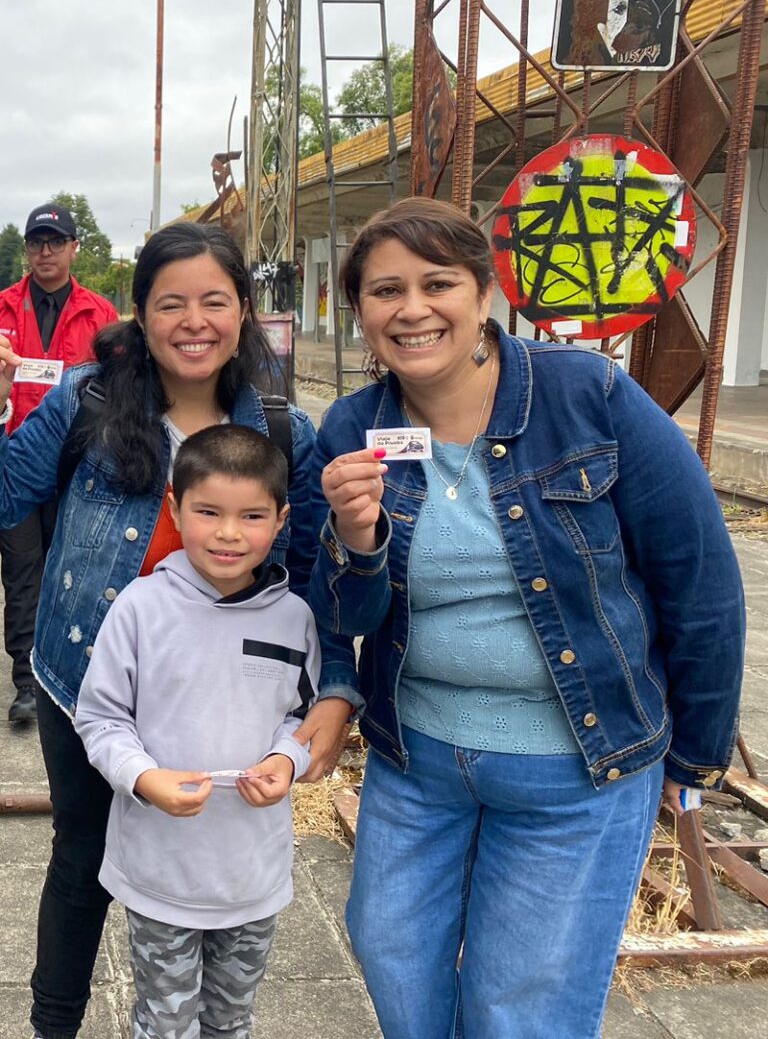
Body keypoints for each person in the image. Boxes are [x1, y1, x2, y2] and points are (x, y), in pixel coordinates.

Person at [310, 197, 745, 1039]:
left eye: (437, 283)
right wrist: (355, 543)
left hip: (575, 767)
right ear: (360, 308)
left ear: (483, 293)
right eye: (384, 290)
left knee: (522, 1006)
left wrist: (696, 755)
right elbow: (347, 615)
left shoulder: (588, 395)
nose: (411, 309)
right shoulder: (354, 427)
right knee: (389, 950)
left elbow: (700, 576)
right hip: (419, 758)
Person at [0, 221, 359, 1039]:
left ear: (244, 310)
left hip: (226, 694)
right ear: (140, 313)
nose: (194, 322)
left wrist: (337, 689)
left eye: (215, 300)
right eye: (170, 304)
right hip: (85, 677)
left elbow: (316, 579)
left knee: (210, 859)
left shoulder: (285, 430)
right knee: (81, 859)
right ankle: (53, 1025)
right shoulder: (88, 399)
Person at [74, 424, 320, 1039]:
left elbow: (305, 718)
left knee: (232, 1019)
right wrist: (144, 777)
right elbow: (100, 717)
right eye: (208, 511)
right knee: (164, 1021)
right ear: (174, 511)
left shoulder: (294, 618)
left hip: (252, 874)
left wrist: (287, 761)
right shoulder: (140, 606)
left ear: (282, 519)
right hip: (160, 873)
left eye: (252, 516)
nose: (229, 533)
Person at [0, 202, 119, 724]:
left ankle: (82, 670)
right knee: (23, 572)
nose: (45, 252)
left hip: (77, 467)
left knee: (78, 569)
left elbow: (119, 391)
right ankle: (27, 682)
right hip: (15, 468)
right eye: (36, 243)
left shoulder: (100, 313)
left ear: (73, 248)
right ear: (27, 250)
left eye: (55, 242)